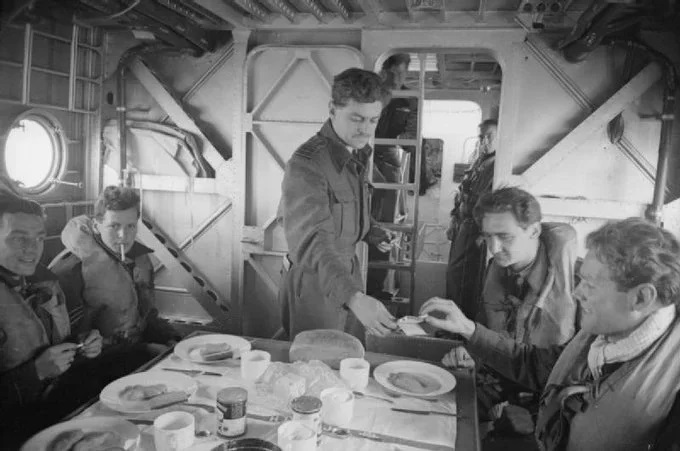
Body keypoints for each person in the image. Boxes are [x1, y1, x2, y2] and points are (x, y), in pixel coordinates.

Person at [421, 217, 680, 451]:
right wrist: (469, 329)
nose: (578, 293)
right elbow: (537, 367)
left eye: (590, 284)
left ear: (642, 297)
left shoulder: (672, 393)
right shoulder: (600, 335)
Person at [278, 68, 397, 341]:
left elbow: (346, 209)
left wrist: (371, 231)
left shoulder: (355, 154)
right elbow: (314, 242)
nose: (365, 128)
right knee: (318, 368)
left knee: (350, 356)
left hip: (347, 276)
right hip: (316, 282)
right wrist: (354, 298)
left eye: (373, 120)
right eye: (356, 119)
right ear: (333, 109)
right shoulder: (307, 164)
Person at [0, 192, 104, 447]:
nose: (32, 249)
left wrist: (83, 346)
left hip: (58, 408)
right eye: (19, 238)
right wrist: (34, 373)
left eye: (38, 238)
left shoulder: (44, 282)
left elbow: (59, 343)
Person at [50, 186, 178, 351]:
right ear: (96, 226)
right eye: (114, 226)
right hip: (98, 366)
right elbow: (70, 344)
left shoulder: (140, 260)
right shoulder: (71, 272)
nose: (123, 236)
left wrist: (171, 338)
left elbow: (147, 318)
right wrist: (144, 352)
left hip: (136, 350)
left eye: (130, 226)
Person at [367, 53, 415, 299]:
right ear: (383, 71)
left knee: (383, 226)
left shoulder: (409, 98)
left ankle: (375, 289)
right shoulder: (371, 94)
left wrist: (406, 137)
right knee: (361, 219)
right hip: (365, 156)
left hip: (388, 161)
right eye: (396, 73)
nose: (399, 79)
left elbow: (412, 133)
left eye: (403, 74)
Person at [445, 119, 497, 319]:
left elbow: (483, 203)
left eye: (488, 136)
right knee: (454, 276)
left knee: (464, 279)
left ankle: (459, 327)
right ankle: (451, 323)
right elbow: (462, 194)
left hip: (474, 229)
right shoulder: (480, 161)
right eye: (481, 137)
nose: (483, 141)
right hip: (462, 226)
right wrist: (453, 221)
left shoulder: (495, 166)